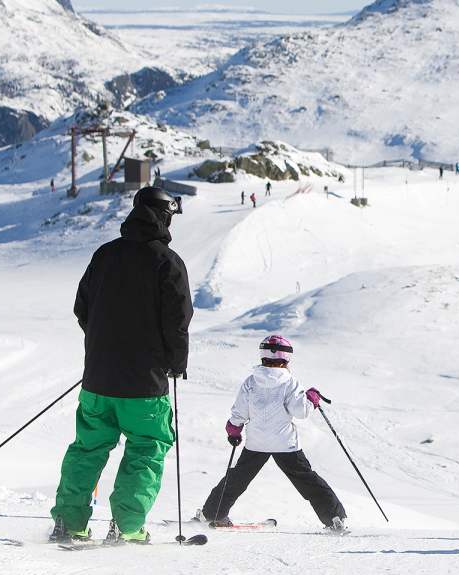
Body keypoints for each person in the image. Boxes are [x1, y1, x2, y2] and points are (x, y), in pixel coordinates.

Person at [50, 186, 193, 545]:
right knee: (146, 448)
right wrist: (175, 363)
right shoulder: (168, 262)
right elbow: (177, 322)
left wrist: (104, 346)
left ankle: (69, 523)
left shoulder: (104, 255)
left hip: (98, 380)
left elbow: (82, 309)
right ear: (164, 216)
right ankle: (127, 527)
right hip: (144, 385)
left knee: (88, 448)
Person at [199, 335, 348, 533]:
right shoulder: (289, 382)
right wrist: (312, 398)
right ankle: (334, 518)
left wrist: (234, 429)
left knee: (237, 478)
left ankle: (211, 513)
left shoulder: (251, 382)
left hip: (256, 443)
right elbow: (300, 411)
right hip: (285, 444)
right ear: (285, 358)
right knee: (307, 480)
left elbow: (240, 411)